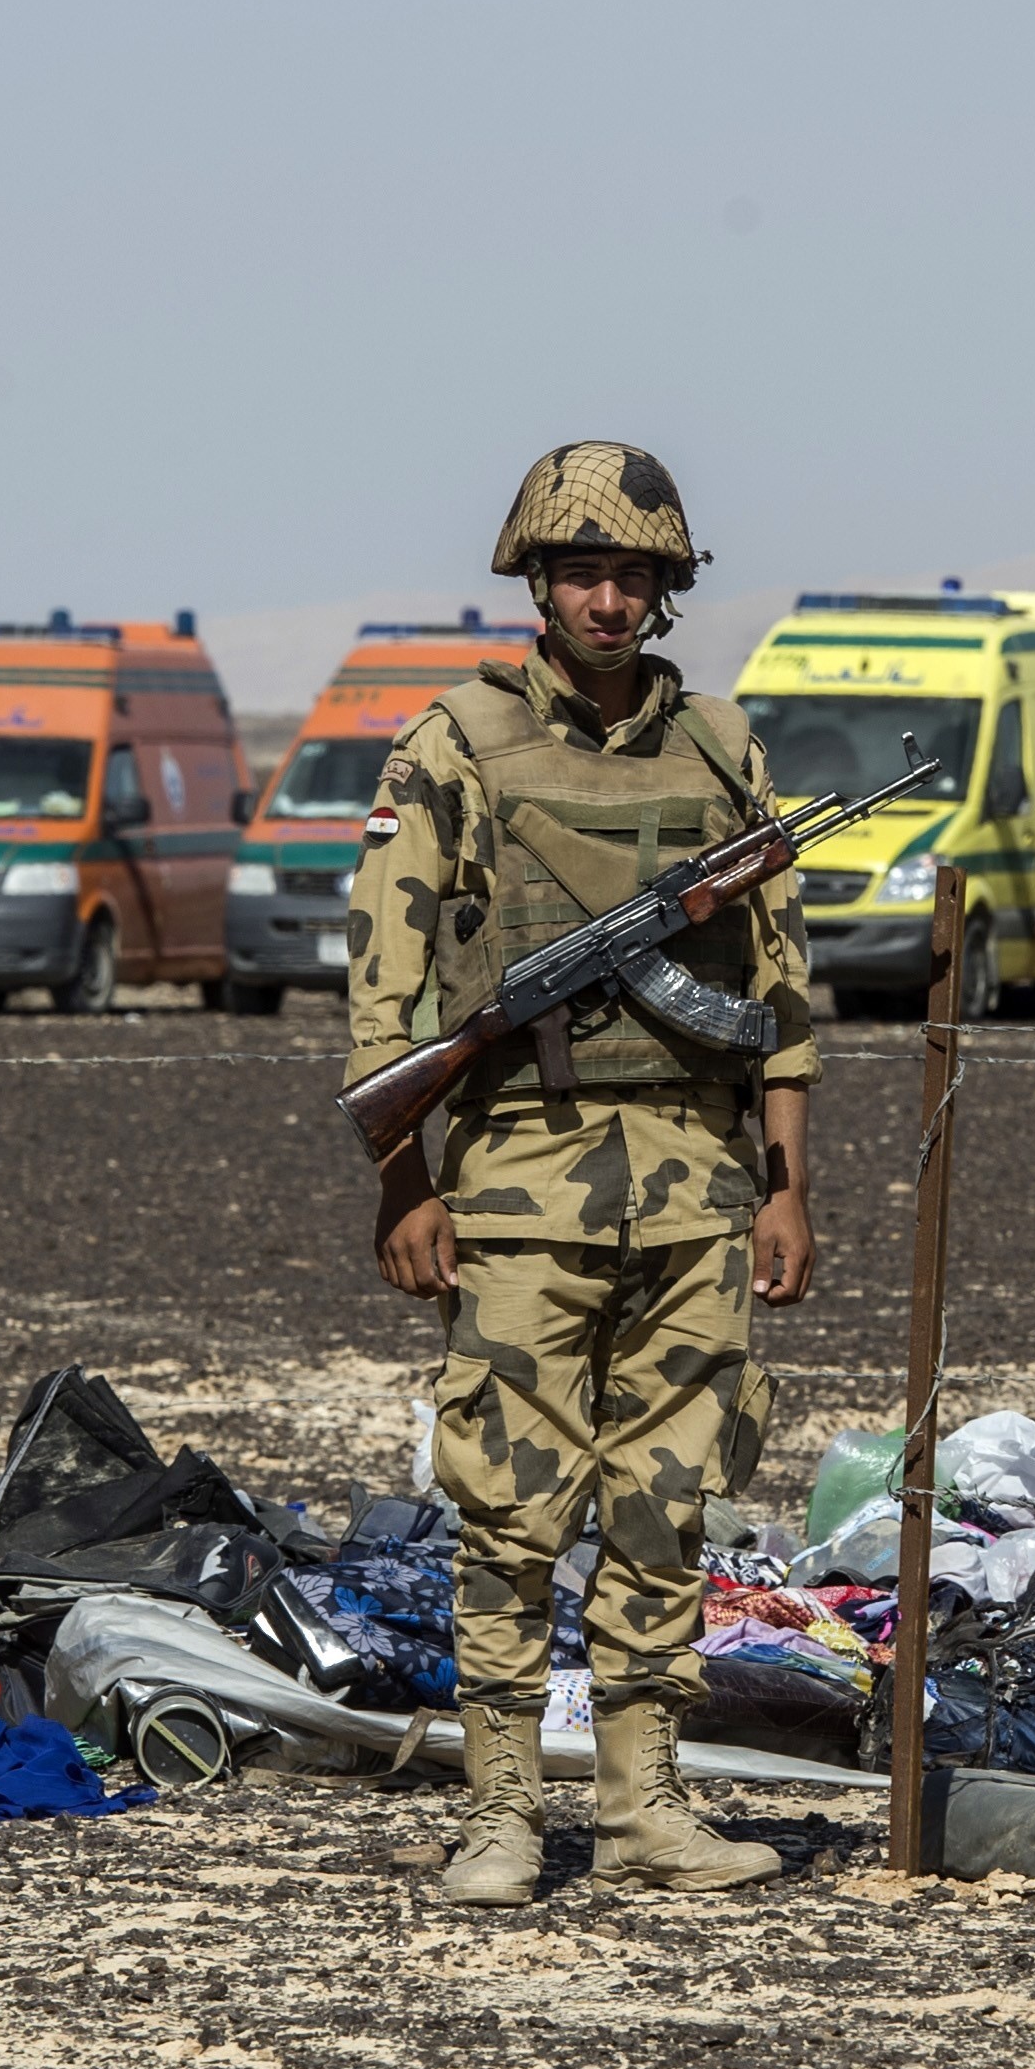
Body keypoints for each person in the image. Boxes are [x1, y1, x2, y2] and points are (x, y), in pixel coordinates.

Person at [346, 442, 821, 1906]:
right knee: (508, 1507)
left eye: (635, 576)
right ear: (538, 584)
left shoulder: (725, 752)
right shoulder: (454, 746)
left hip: (695, 1190)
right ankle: (501, 1815)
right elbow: (388, 984)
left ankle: (644, 1808)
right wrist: (403, 1182)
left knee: (668, 1499)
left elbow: (780, 991)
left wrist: (788, 1185)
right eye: (583, 573)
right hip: (517, 1192)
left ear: (667, 590)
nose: (610, 600)